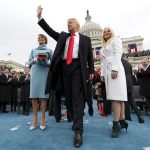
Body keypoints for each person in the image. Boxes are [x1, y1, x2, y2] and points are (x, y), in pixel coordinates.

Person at [37, 5, 94, 148]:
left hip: (78, 69)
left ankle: (78, 132)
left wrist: (91, 70)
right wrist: (40, 18)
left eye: (71, 22)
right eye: (67, 23)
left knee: (77, 99)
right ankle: (75, 120)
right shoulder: (63, 36)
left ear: (77, 25)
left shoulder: (86, 39)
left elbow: (89, 57)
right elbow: (49, 31)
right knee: (68, 99)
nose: (68, 24)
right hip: (64, 70)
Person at [100, 27, 127, 138]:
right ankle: (123, 121)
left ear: (112, 32)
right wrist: (102, 74)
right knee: (118, 98)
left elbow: (118, 53)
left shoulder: (116, 39)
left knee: (116, 98)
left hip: (115, 70)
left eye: (108, 30)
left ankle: (116, 125)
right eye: (104, 31)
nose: (106, 32)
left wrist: (115, 69)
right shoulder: (103, 46)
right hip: (108, 72)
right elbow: (103, 61)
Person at [28, 34, 53, 130]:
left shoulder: (50, 50)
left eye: (42, 38)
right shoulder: (33, 50)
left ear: (45, 40)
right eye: (38, 38)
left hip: (44, 73)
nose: (40, 39)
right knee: (34, 96)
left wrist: (46, 61)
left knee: (43, 97)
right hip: (35, 73)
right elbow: (29, 63)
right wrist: (34, 59)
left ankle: (43, 118)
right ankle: (34, 119)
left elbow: (53, 63)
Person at [121, 56, 144, 123]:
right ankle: (140, 116)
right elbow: (131, 74)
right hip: (129, 82)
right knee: (131, 100)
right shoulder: (128, 63)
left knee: (125, 100)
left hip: (123, 82)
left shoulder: (119, 62)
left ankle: (127, 118)